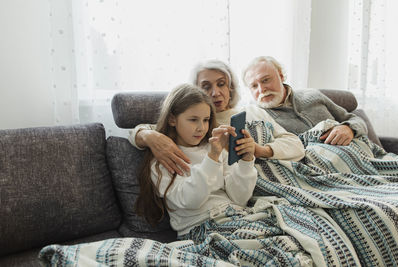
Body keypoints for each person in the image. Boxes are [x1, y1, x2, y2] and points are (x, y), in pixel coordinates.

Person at [129, 60, 305, 175]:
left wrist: (260, 150)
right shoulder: (198, 125)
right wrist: (147, 136)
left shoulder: (254, 111)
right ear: (196, 92)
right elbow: (143, 130)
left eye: (221, 84)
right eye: (206, 87)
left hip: (291, 171)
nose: (215, 93)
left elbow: (296, 146)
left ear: (230, 88)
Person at [134, 84, 258, 236]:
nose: (201, 128)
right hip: (200, 228)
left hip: (237, 216)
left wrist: (246, 162)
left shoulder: (214, 147)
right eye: (193, 120)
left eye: (206, 120)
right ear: (172, 119)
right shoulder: (163, 160)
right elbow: (192, 200)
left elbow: (240, 199)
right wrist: (212, 158)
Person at [242, 56, 368, 146]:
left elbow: (355, 119)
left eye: (265, 80)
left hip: (361, 154)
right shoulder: (258, 119)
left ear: (281, 76)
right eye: (254, 86)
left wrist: (349, 128)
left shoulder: (312, 95)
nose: (262, 89)